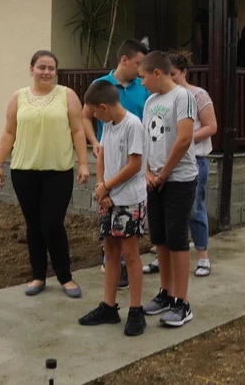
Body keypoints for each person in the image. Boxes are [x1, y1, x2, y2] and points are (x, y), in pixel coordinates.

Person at [0, 50, 90, 298]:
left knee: (52, 223)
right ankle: (38, 276)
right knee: (34, 224)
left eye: (51, 68)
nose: (46, 72)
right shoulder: (18, 97)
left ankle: (65, 276)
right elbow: (9, 132)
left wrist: (83, 164)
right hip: (23, 170)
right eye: (41, 67)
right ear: (31, 69)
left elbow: (78, 131)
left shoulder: (67, 95)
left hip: (58, 170)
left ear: (56, 71)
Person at [77, 80, 147, 336]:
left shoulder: (133, 125)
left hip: (129, 199)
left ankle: (136, 310)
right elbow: (102, 156)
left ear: (104, 107)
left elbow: (134, 165)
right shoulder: (108, 125)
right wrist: (101, 187)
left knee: (131, 255)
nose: (94, 117)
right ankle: (109, 306)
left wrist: (107, 186)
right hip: (108, 197)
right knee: (110, 251)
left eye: (94, 112)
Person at [82, 38, 149, 289]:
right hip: (108, 162)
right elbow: (86, 117)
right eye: (138, 63)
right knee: (110, 233)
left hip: (132, 166)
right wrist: (94, 143)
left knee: (129, 238)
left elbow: (136, 158)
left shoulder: (143, 87)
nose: (141, 70)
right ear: (124, 60)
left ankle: (126, 273)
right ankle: (111, 264)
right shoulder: (101, 86)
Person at [138, 51, 198, 328]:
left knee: (176, 238)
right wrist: (148, 172)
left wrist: (164, 173)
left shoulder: (182, 97)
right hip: (155, 180)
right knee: (160, 238)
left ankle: (181, 302)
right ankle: (165, 292)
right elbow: (146, 141)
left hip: (179, 180)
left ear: (157, 73)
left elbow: (184, 138)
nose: (142, 83)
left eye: (143, 77)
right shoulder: (151, 101)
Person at [168, 51, 218, 277]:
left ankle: (202, 256)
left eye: (174, 74)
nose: (170, 79)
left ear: (184, 72)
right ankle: (165, 256)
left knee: (195, 208)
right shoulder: (163, 97)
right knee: (168, 210)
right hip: (168, 161)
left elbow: (211, 126)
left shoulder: (198, 95)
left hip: (194, 160)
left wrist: (186, 139)